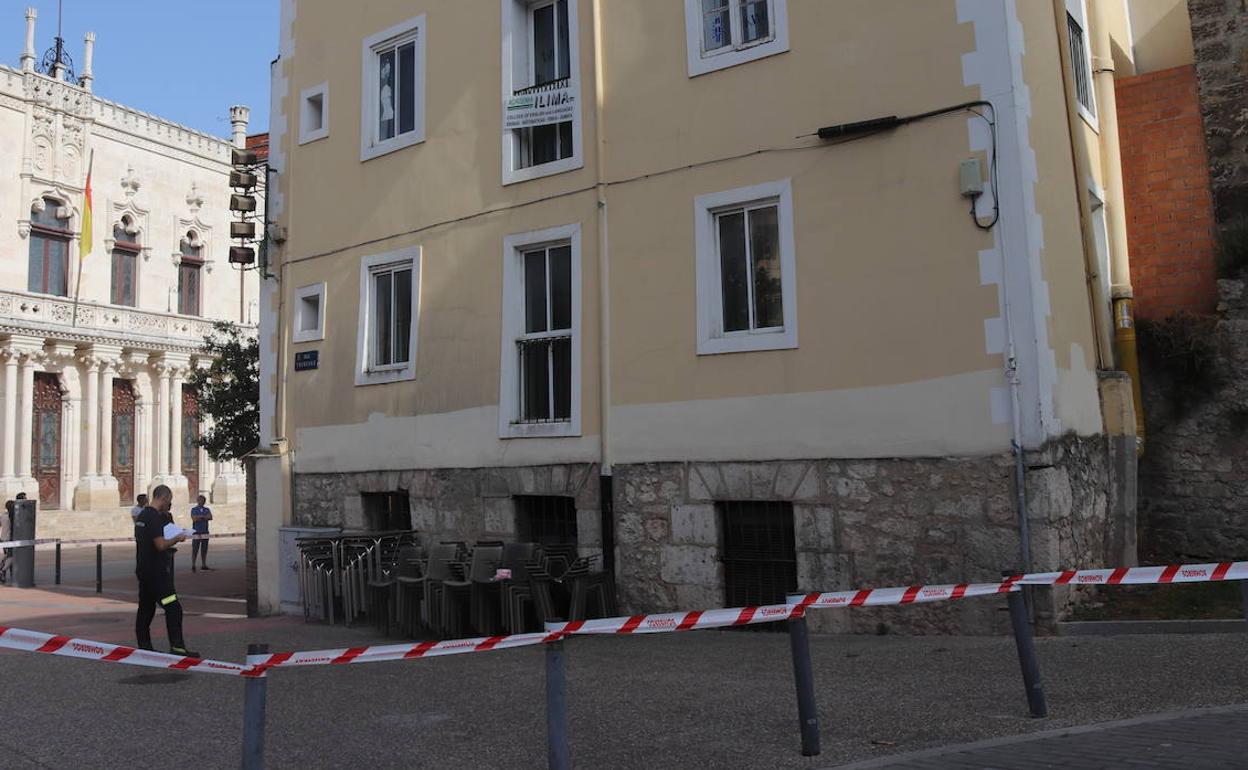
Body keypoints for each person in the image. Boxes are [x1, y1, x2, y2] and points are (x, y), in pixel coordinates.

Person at [134, 484, 199, 657]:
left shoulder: (142, 515)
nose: (168, 505)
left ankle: (144, 647)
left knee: (146, 609)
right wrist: (177, 538)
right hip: (157, 574)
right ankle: (177, 647)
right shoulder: (154, 517)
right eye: (168, 501)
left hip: (144, 571)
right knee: (173, 608)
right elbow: (160, 544)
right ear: (163, 498)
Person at [190, 494, 213, 572]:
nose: (201, 502)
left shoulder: (207, 509)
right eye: (200, 500)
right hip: (196, 532)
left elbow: (210, 517)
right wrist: (203, 517)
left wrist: (200, 517)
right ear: (197, 501)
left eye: (203, 501)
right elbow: (194, 519)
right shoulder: (194, 509)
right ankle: (193, 564)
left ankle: (204, 564)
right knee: (195, 549)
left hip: (205, 531)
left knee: (204, 549)